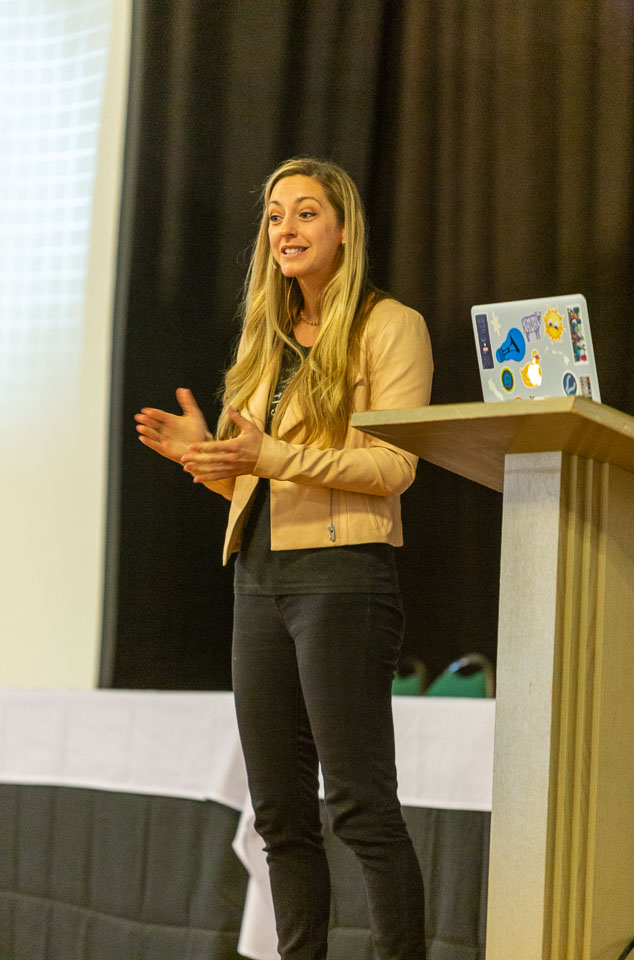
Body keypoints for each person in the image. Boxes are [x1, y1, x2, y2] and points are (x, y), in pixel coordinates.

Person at [135, 157, 433, 960]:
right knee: (279, 815)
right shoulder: (263, 337)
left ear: (343, 229)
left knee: (361, 807)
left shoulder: (389, 326)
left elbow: (394, 467)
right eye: (274, 216)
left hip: (344, 579)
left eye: (304, 212)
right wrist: (205, 458)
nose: (285, 230)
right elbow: (259, 480)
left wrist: (269, 456)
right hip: (259, 580)